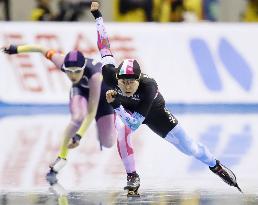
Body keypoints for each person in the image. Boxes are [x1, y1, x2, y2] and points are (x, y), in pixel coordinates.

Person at [89, 1, 242, 195]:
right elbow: (104, 45)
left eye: (131, 82)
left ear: (139, 79)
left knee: (191, 149)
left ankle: (215, 165)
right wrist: (98, 17)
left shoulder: (149, 87)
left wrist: (117, 105)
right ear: (116, 78)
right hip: (128, 110)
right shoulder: (110, 74)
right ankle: (132, 175)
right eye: (123, 81)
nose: (127, 86)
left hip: (154, 113)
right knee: (121, 129)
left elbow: (136, 124)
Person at [2, 44, 117, 184]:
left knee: (108, 142)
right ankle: (62, 157)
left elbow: (92, 112)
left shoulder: (95, 75)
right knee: (77, 118)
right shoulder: (61, 62)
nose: (72, 75)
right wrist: (17, 49)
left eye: (76, 71)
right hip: (80, 91)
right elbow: (41, 49)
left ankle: (110, 122)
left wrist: (78, 136)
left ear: (83, 68)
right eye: (68, 71)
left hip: (102, 97)